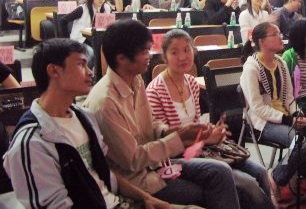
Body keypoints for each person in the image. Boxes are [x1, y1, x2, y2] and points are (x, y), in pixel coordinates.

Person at [83, 20, 240, 208]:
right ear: (122, 58)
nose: (149, 56)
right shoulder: (105, 102)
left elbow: (151, 123)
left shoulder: (135, 79)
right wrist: (180, 138)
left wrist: (173, 131)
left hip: (157, 165)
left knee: (221, 172)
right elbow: (133, 160)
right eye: (144, 52)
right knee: (212, 190)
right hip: (137, 180)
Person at [3, 38, 172, 209]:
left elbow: (106, 174)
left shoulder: (84, 117)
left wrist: (144, 197)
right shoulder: (32, 142)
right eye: (81, 65)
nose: (90, 72)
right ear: (54, 71)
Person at [146, 29, 274, 208]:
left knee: (260, 172)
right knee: (248, 184)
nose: (182, 57)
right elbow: (164, 141)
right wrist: (205, 138)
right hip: (176, 156)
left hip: (202, 149)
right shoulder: (155, 91)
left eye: (187, 50)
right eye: (174, 52)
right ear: (164, 57)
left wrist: (211, 132)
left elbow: (196, 125)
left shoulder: (191, 82)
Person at [239, 22, 306, 199]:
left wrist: (296, 114)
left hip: (286, 116)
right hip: (264, 122)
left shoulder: (280, 63)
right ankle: (276, 178)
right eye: (275, 34)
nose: (280, 37)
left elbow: (289, 98)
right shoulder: (251, 68)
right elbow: (257, 107)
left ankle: (298, 173)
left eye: (279, 33)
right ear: (261, 42)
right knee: (302, 145)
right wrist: (288, 119)